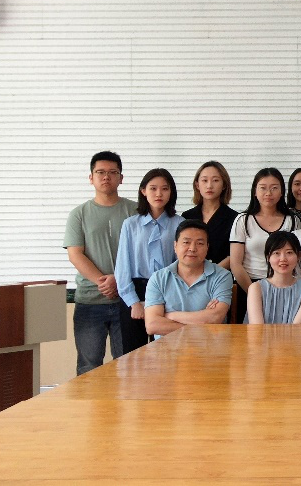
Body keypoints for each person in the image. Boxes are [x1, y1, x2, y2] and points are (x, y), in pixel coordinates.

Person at [64, 151, 137, 375]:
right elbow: (75, 254)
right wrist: (103, 282)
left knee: (128, 366)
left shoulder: (135, 211)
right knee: (88, 366)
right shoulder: (79, 214)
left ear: (121, 178)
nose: (106, 177)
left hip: (127, 300)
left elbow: (141, 253)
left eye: (112, 172)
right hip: (89, 301)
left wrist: (118, 281)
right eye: (100, 172)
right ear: (91, 178)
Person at [114, 168, 185, 353]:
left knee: (166, 353)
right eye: (153, 188)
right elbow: (122, 267)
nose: (159, 194)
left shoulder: (179, 223)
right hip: (135, 291)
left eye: (165, 189)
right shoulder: (130, 224)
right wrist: (133, 302)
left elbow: (182, 264)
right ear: (143, 191)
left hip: (168, 290)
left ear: (171, 192)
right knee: (133, 355)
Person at [230, 168, 301, 320]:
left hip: (284, 285)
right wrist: (254, 293)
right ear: (255, 192)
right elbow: (235, 264)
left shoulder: (293, 220)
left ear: (282, 192)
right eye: (263, 188)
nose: (268, 193)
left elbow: (296, 257)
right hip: (249, 284)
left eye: (274, 188)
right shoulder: (243, 220)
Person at [143, 220, 233, 337]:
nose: (192, 248)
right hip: (167, 347)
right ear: (175, 246)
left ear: (207, 247)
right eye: (186, 242)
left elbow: (215, 318)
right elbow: (153, 325)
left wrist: (170, 315)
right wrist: (202, 322)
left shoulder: (222, 276)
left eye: (200, 243)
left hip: (208, 346)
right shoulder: (158, 279)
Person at [246, 231, 301, 324]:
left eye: (289, 252)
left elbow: (297, 327)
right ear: (268, 257)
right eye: (276, 253)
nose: (283, 259)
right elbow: (257, 328)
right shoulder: (256, 288)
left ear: (298, 256)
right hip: (260, 334)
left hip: (295, 334)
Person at [181, 161, 238, 269]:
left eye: (215, 180)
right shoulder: (187, 216)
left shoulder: (235, 218)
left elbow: (235, 254)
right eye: (204, 180)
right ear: (197, 185)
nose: (209, 186)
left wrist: (212, 273)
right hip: (191, 275)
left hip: (221, 275)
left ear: (224, 185)